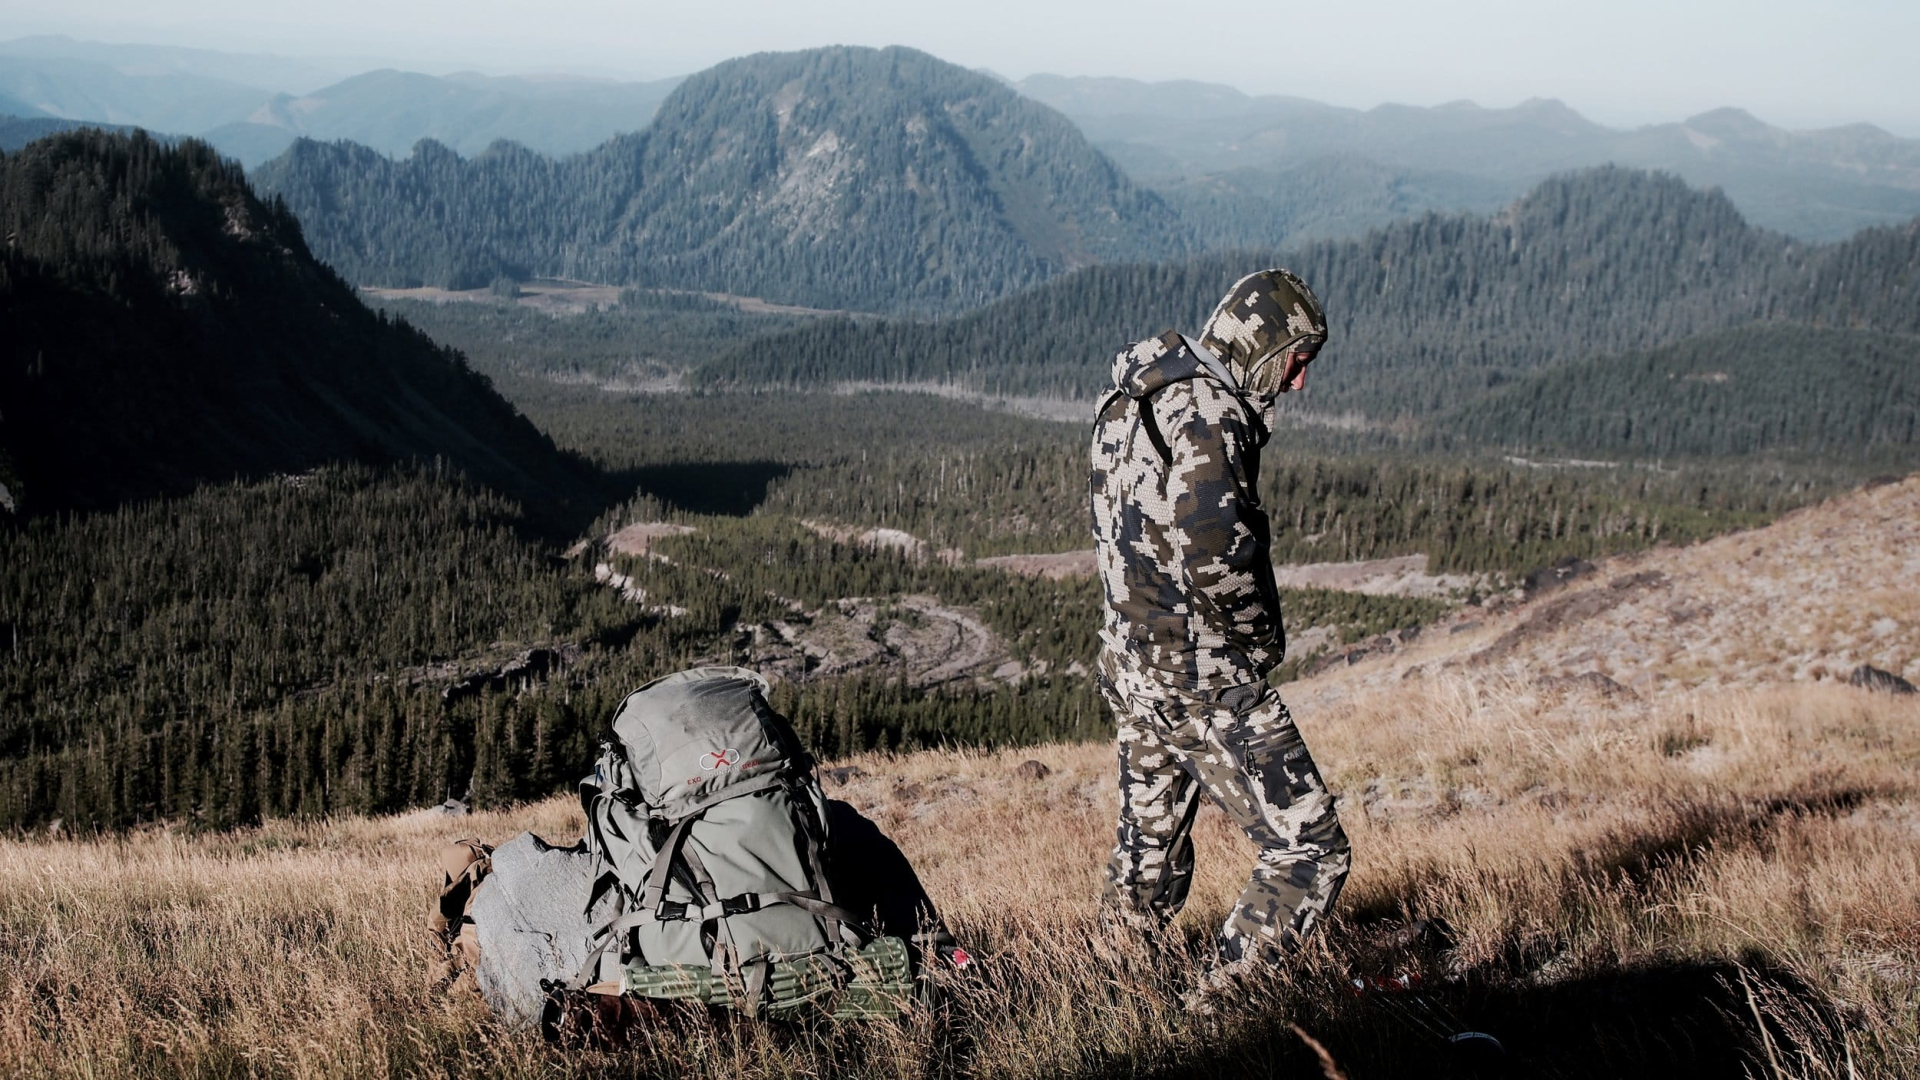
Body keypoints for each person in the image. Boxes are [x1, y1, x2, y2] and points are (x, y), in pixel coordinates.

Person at [1087, 268, 1349, 988]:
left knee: (1148, 852)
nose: (1298, 384)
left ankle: (1108, 993)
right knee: (1309, 850)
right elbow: (1212, 544)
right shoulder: (1210, 414)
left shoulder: (1132, 396)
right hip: (1200, 675)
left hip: (1132, 663)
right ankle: (1220, 1013)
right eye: (1298, 363)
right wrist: (1260, 640)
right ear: (1265, 345)